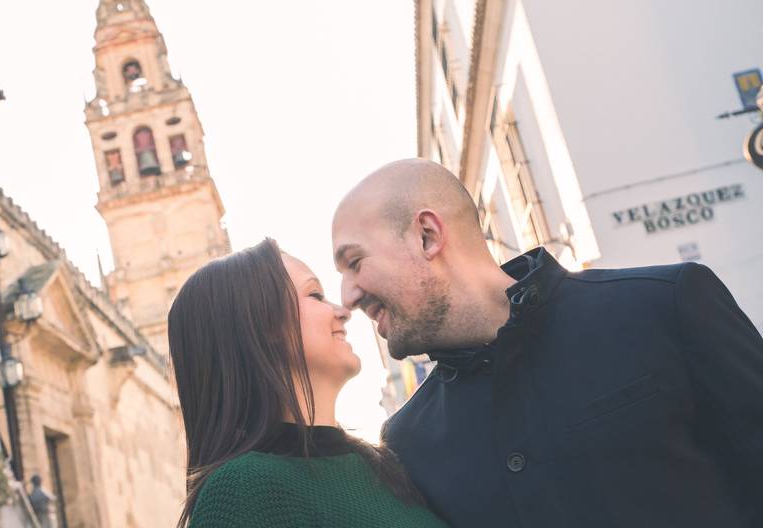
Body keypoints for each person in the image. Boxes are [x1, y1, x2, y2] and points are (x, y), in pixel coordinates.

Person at [331, 158, 763, 528]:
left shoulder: (663, 303)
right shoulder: (409, 441)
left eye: (354, 262)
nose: (347, 296)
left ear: (427, 235)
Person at [167, 238, 447, 528]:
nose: (343, 311)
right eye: (315, 295)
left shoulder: (379, 465)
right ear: (261, 324)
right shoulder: (242, 490)